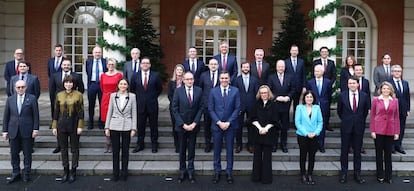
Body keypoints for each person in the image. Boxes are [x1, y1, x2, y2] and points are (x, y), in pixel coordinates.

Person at [2, 80, 39, 184]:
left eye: (22, 87)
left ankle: (26, 174)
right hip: (13, 131)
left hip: (27, 131)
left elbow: (36, 115)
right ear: (15, 88)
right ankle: (16, 173)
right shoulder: (10, 99)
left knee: (27, 154)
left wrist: (35, 129)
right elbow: (6, 116)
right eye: (18, 87)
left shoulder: (32, 98)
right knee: (14, 154)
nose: (20, 89)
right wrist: (4, 131)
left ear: (26, 87)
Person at [337, 76, 370, 184]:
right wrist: (347, 120)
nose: (352, 85)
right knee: (344, 151)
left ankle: (357, 174)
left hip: (359, 127)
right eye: (350, 83)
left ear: (357, 84)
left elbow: (365, 111)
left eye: (354, 83)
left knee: (357, 152)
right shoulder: (342, 95)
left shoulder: (364, 96)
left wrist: (358, 120)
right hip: (346, 126)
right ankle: (344, 173)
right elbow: (339, 111)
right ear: (347, 84)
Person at [209, 71, 240, 184]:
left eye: (226, 78)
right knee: (216, 149)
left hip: (230, 126)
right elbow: (211, 109)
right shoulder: (213, 91)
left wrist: (228, 122)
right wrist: (218, 122)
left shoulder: (235, 91)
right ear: (219, 79)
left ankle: (229, 172)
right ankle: (217, 171)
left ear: (229, 79)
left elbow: (237, 108)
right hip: (217, 126)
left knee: (229, 150)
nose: (224, 80)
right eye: (222, 78)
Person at [172, 72, 204, 184]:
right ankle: (182, 171)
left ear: (193, 80)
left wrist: (195, 123)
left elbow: (201, 108)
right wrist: (183, 124)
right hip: (182, 126)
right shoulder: (178, 91)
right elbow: (174, 109)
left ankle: (191, 171)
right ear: (183, 80)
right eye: (187, 79)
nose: (189, 81)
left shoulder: (199, 91)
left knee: (191, 149)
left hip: (193, 126)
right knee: (182, 150)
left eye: (191, 79)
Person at [51, 75, 84, 183]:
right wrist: (54, 126)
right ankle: (66, 171)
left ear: (73, 84)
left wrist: (80, 126)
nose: (68, 84)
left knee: (74, 149)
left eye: (70, 82)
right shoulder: (59, 95)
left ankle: (73, 170)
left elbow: (81, 112)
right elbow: (56, 111)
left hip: (74, 125)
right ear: (63, 84)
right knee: (63, 149)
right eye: (66, 82)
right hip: (61, 125)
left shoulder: (78, 95)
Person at [104, 79, 137, 182]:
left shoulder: (132, 96)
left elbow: (134, 112)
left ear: (127, 86)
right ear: (118, 85)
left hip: (127, 126)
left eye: (125, 84)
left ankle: (124, 173)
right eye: (121, 84)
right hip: (114, 125)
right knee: (115, 151)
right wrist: (107, 127)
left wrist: (133, 128)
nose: (123, 86)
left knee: (125, 151)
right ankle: (115, 174)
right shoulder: (113, 96)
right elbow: (110, 111)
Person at [50, 59, 85, 153]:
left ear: (71, 66)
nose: (66, 66)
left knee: (73, 127)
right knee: (59, 127)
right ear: (61, 66)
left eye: (68, 65)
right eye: (64, 64)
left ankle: (74, 146)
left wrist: (75, 98)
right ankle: (59, 146)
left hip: (73, 106)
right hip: (60, 104)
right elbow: (52, 90)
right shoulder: (55, 76)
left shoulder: (77, 76)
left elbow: (81, 88)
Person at [130, 57, 163, 153]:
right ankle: (140, 144)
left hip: (152, 105)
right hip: (140, 105)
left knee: (154, 126)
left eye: (147, 63)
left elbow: (159, 89)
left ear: (150, 65)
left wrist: (151, 97)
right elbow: (132, 89)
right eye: (143, 63)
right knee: (140, 126)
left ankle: (154, 144)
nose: (145, 64)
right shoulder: (135, 76)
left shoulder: (155, 75)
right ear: (140, 65)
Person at [370, 81, 400, 184]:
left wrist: (397, 132)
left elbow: (396, 117)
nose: (386, 90)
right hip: (378, 130)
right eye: (384, 89)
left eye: (388, 89)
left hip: (390, 130)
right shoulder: (376, 100)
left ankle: (388, 176)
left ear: (390, 90)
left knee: (388, 154)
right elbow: (373, 116)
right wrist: (372, 130)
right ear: (381, 90)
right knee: (379, 154)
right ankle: (380, 175)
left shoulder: (395, 101)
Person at [250, 85, 277, 184]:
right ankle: (256, 177)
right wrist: (260, 128)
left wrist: (266, 128)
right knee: (257, 156)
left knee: (267, 157)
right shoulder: (256, 104)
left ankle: (266, 178)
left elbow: (275, 120)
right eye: (261, 93)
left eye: (265, 93)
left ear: (268, 93)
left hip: (269, 134)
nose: (263, 95)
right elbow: (252, 118)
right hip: (257, 133)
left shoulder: (273, 105)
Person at [295, 90, 323, 185]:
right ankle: (303, 174)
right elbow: (297, 122)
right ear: (304, 98)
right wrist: (306, 133)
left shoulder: (317, 108)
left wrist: (315, 132)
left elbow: (320, 122)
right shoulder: (299, 108)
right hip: (303, 135)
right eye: (307, 97)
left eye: (311, 97)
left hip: (314, 136)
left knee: (312, 156)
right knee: (303, 155)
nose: (309, 99)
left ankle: (310, 174)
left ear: (313, 98)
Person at [268, 60, 294, 153]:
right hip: (275, 105)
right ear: (276, 67)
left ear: (285, 67)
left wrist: (288, 97)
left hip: (285, 106)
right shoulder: (271, 77)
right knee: (274, 126)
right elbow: (269, 90)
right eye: (279, 66)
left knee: (284, 126)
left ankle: (284, 144)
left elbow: (292, 90)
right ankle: (274, 144)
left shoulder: (289, 77)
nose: (281, 68)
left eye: (282, 66)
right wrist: (276, 97)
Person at [232, 61, 259, 153]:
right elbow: (234, 94)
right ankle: (239, 145)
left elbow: (257, 93)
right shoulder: (236, 80)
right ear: (241, 68)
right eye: (244, 67)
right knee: (238, 127)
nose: (246, 69)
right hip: (239, 106)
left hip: (252, 106)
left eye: (247, 67)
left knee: (251, 126)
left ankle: (250, 144)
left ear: (249, 68)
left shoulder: (254, 79)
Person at [307, 65, 333, 152]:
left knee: (322, 127)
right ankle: (313, 145)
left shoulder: (328, 82)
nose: (316, 73)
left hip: (324, 107)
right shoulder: (310, 82)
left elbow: (329, 95)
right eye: (315, 71)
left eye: (318, 71)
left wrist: (326, 104)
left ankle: (321, 145)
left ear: (322, 72)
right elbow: (308, 95)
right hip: (312, 107)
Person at [100, 58, 123, 153]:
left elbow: (122, 86)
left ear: (115, 65)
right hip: (105, 99)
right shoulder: (102, 75)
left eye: (112, 64)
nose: (111, 66)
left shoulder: (119, 75)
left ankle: (115, 143)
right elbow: (101, 87)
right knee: (106, 121)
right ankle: (108, 142)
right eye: (109, 64)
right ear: (106, 65)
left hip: (116, 98)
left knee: (115, 120)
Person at [199, 58, 220, 153]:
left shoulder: (222, 76)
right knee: (207, 126)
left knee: (217, 126)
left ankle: (217, 144)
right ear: (208, 65)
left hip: (219, 106)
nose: (213, 66)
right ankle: (208, 144)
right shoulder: (203, 75)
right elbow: (200, 89)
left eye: (215, 64)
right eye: (211, 64)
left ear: (218, 65)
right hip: (207, 105)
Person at [388, 65, 410, 154]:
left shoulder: (405, 83)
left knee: (401, 128)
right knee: (392, 128)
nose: (397, 73)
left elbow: (407, 96)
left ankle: (398, 145)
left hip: (403, 109)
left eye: (399, 71)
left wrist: (408, 109)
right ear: (392, 72)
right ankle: (391, 146)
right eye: (395, 71)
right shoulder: (388, 83)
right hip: (392, 109)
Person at [86, 46, 107, 129]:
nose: (97, 54)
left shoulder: (105, 61)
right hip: (92, 84)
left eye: (99, 52)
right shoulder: (88, 61)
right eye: (96, 52)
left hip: (102, 85)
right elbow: (88, 72)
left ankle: (101, 122)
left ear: (101, 53)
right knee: (91, 104)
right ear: (93, 53)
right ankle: (90, 122)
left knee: (102, 104)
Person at [285, 45, 306, 121]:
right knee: (286, 107)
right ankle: (286, 123)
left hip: (298, 87)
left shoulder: (301, 62)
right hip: (288, 88)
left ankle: (296, 122)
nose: (294, 52)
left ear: (298, 52)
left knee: (297, 106)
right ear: (290, 51)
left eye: (296, 50)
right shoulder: (286, 62)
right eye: (293, 50)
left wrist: (304, 86)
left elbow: (303, 74)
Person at [167, 64, 185, 153]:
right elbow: (169, 95)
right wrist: (175, 104)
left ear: (183, 71)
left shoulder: (186, 81)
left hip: (184, 108)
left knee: (183, 126)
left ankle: (183, 145)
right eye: (178, 70)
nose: (179, 71)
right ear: (175, 71)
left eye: (181, 70)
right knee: (175, 127)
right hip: (174, 108)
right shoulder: (171, 82)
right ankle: (177, 146)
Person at [47, 44, 65, 116]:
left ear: (62, 51)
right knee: (53, 102)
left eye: (60, 50)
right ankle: (53, 120)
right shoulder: (50, 61)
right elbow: (49, 72)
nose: (58, 52)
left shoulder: (65, 61)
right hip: (52, 85)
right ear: (54, 51)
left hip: (62, 84)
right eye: (57, 50)